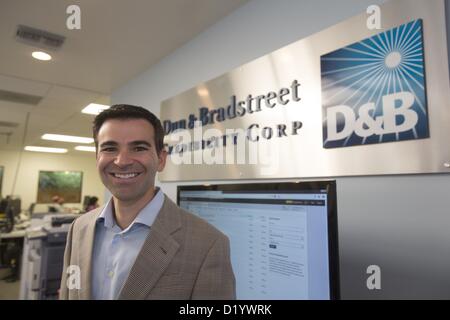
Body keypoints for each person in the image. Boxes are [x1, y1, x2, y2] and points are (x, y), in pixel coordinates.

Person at [59, 104, 235, 300]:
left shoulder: (208, 245)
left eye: (139, 148)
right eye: (110, 148)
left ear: (161, 159)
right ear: (97, 157)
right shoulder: (79, 228)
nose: (122, 161)